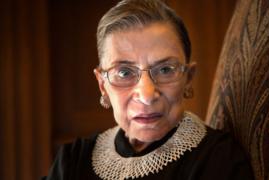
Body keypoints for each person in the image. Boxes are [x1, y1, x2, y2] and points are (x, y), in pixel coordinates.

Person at [44, 0, 254, 179]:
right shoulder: (72, 161)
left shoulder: (219, 160)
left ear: (188, 79)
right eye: (124, 73)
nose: (146, 95)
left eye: (164, 69)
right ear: (102, 85)